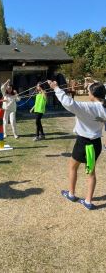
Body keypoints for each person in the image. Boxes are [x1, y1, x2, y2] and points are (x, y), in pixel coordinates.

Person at [48, 80, 106, 210]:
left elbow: (68, 103)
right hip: (96, 143)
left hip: (83, 143)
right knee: (91, 173)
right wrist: (94, 83)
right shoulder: (103, 107)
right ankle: (88, 201)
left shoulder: (87, 107)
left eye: (89, 91)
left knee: (73, 167)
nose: (87, 92)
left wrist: (56, 88)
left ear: (92, 93)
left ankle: (71, 194)